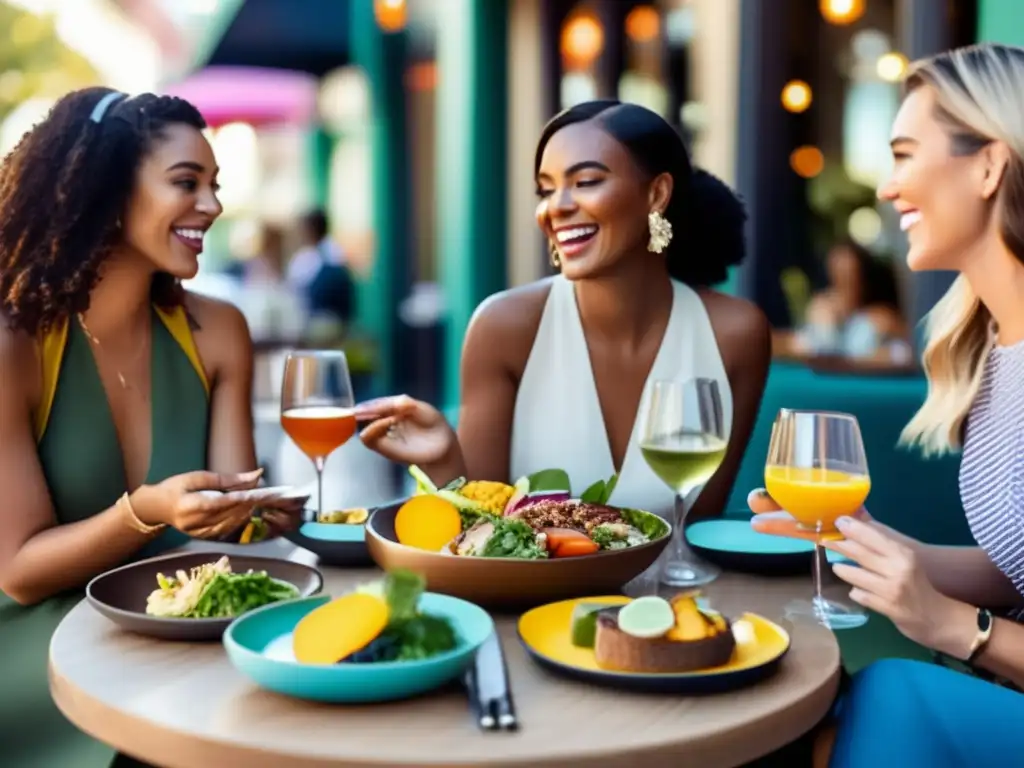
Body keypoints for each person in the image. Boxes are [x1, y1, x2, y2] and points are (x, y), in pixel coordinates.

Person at [0, 88, 298, 768]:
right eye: (186, 182)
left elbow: (229, 528)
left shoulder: (218, 332)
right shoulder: (15, 346)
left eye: (215, 185)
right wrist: (146, 511)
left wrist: (264, 514)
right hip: (37, 658)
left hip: (176, 642)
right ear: (108, 191)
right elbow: (18, 570)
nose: (213, 206)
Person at [750, 44, 1024, 766]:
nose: (888, 187)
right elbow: (1017, 566)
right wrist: (876, 548)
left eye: (904, 154)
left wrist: (957, 627)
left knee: (890, 693)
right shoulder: (991, 348)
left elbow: (977, 615)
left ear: (990, 166)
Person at [356, 100, 771, 528]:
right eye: (546, 189)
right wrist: (445, 459)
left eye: (586, 181)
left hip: (680, 596)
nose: (557, 206)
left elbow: (699, 525)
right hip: (535, 596)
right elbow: (482, 533)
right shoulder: (505, 327)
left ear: (656, 194)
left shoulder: (735, 334)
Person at [789, 240, 910, 361]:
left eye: (849, 277)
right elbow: (799, 348)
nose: (844, 285)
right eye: (837, 276)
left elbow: (907, 354)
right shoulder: (820, 310)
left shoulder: (882, 320)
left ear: (863, 280)